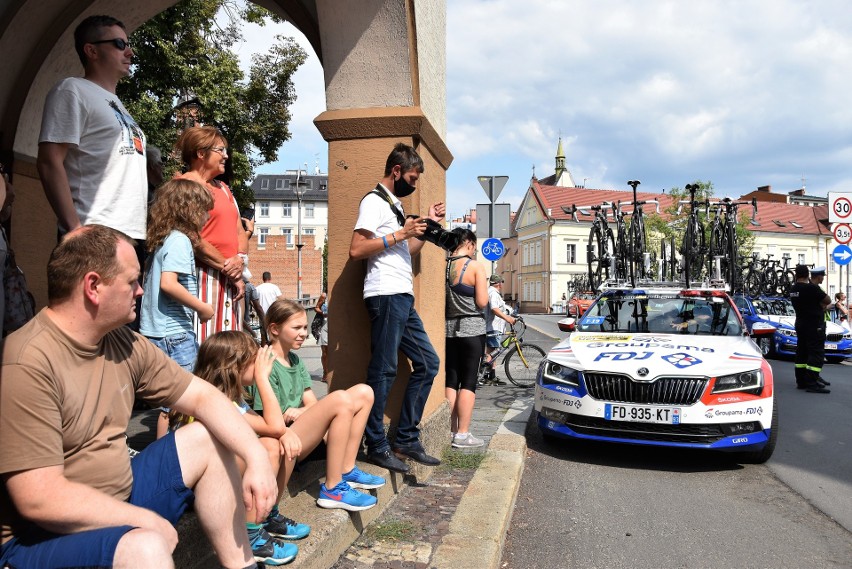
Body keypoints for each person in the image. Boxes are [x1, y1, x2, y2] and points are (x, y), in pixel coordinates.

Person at [0, 225, 277, 569]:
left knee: (207, 436)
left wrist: (257, 457)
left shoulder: (123, 343)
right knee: (146, 547)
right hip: (39, 537)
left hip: (119, 497)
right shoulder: (27, 360)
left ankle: (242, 564)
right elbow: (38, 500)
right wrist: (145, 521)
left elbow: (204, 397)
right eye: (131, 281)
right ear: (93, 286)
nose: (141, 290)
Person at [169, 333, 307, 565]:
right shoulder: (220, 402)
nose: (262, 365)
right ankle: (251, 536)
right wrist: (263, 379)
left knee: (277, 442)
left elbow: (273, 427)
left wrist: (285, 432)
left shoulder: (230, 399)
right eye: (256, 360)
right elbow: (274, 427)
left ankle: (266, 516)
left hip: (211, 478)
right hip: (197, 490)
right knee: (270, 447)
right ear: (235, 367)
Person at [348, 143, 444, 473]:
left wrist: (426, 225)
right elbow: (357, 249)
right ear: (397, 171)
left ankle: (405, 438)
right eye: (413, 178)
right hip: (385, 294)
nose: (414, 185)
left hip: (401, 296)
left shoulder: (396, 206)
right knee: (384, 368)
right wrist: (401, 233)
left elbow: (409, 249)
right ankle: (375, 444)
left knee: (429, 363)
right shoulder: (373, 202)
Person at [249, 299, 384, 511]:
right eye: (296, 328)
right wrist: (299, 413)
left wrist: (301, 411)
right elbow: (265, 420)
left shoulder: (295, 360)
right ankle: (332, 489)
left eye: (304, 327)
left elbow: (311, 403)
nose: (304, 333)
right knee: (339, 399)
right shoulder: (266, 365)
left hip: (303, 433)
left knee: (364, 392)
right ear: (274, 329)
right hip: (283, 439)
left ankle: (346, 469)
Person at [37, 16, 147, 255]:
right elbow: (49, 161)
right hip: (94, 231)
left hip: (130, 235)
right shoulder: (72, 90)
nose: (130, 52)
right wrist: (75, 229)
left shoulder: (116, 103)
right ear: (91, 51)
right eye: (120, 44)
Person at [175, 126, 249, 342]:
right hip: (201, 279)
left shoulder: (224, 189)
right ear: (200, 153)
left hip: (231, 279)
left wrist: (241, 259)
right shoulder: (183, 186)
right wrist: (231, 270)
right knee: (206, 345)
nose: (226, 156)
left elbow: (239, 231)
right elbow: (192, 237)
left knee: (229, 347)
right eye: (220, 150)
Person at [140, 179, 215, 372]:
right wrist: (202, 308)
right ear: (189, 210)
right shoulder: (179, 241)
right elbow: (169, 284)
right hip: (174, 334)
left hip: (156, 333)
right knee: (183, 397)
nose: (207, 217)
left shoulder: (163, 240)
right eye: (204, 210)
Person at [444, 228, 488, 448]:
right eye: (475, 247)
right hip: (472, 328)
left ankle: (449, 431)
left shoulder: (444, 266)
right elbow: (481, 302)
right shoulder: (475, 267)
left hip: (448, 329)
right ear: (469, 243)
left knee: (451, 381)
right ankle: (463, 434)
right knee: (468, 382)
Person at [789, 265, 831, 393]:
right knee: (816, 353)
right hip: (814, 325)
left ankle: (801, 381)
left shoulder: (793, 289)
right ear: (807, 275)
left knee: (802, 352)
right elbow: (828, 300)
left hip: (800, 323)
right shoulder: (811, 288)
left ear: (796, 275)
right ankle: (812, 382)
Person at [484, 274, 516, 385]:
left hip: (492, 327)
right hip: (493, 327)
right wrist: (507, 318)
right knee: (493, 352)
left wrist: (509, 313)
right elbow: (494, 309)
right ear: (498, 283)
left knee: (492, 352)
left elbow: (501, 307)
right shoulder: (493, 293)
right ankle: (485, 374)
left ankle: (490, 376)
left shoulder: (491, 292)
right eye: (501, 282)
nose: (502, 284)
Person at [314, 291, 330, 382]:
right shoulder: (324, 295)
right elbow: (316, 308)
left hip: (337, 326)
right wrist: (323, 312)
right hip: (325, 326)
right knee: (325, 352)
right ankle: (325, 372)